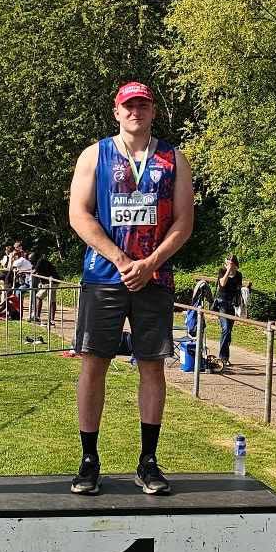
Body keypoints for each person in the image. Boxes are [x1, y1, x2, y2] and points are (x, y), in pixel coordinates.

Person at [68, 81, 193, 496]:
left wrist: (150, 263)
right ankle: (89, 459)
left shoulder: (173, 158)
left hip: (155, 278)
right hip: (105, 275)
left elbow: (184, 222)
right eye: (129, 106)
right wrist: (122, 260)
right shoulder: (95, 155)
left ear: (153, 111)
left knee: (152, 365)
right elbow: (79, 215)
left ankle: (148, 460)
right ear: (116, 111)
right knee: (94, 363)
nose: (135, 111)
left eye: (142, 105)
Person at [215, 254, 243, 369]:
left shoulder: (239, 275)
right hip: (221, 304)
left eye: (231, 264)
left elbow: (238, 289)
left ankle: (225, 357)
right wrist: (227, 271)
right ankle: (222, 357)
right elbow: (222, 284)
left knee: (229, 332)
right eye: (227, 263)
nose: (229, 265)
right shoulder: (222, 271)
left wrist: (240, 305)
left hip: (231, 305)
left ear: (235, 265)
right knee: (225, 329)